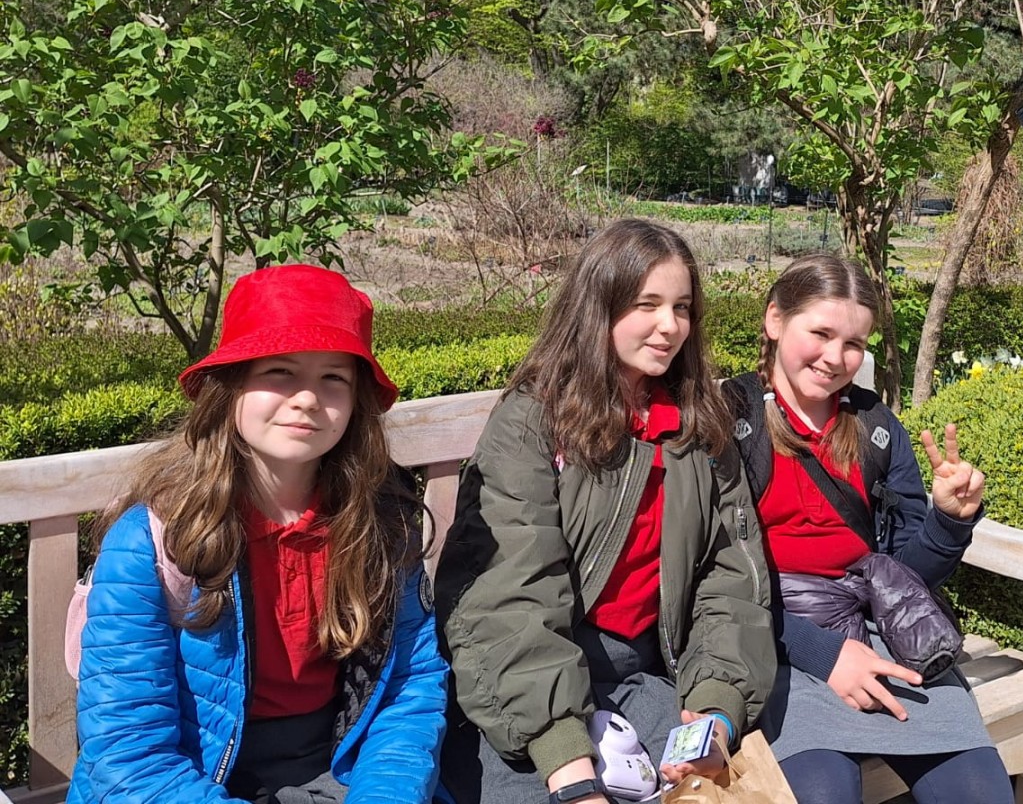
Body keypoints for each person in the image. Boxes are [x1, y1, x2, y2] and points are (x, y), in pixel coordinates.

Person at [69, 264, 447, 804]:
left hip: (335, 769)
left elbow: (410, 687)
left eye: (334, 378)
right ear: (231, 388)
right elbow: (127, 756)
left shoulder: (379, 525)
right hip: (191, 779)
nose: (307, 398)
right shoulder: (151, 542)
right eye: (280, 372)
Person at [436, 219, 775, 804]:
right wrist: (568, 768)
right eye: (647, 304)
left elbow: (730, 581)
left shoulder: (699, 426)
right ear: (599, 307)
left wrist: (716, 708)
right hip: (530, 686)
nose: (670, 325)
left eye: (682, 307)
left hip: (649, 675)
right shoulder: (534, 422)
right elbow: (510, 594)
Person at [723, 253, 1012, 804]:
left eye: (853, 343)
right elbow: (709, 582)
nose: (836, 358)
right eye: (820, 333)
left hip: (883, 632)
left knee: (979, 793)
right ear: (775, 320)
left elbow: (907, 576)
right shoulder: (727, 420)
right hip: (770, 638)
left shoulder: (875, 427)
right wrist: (825, 654)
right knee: (821, 793)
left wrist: (949, 521)